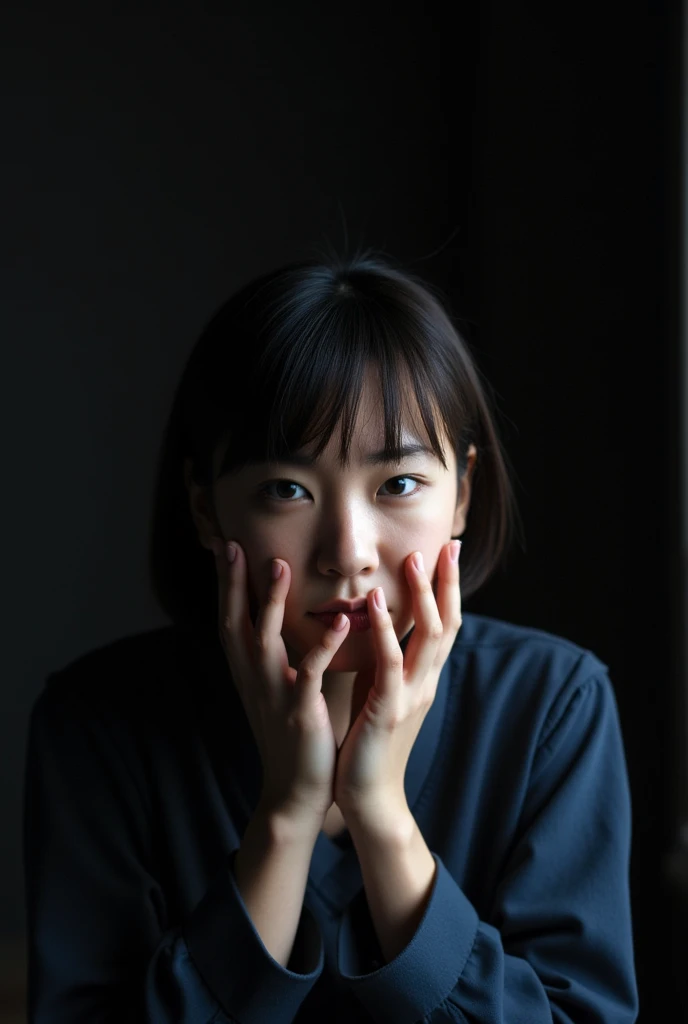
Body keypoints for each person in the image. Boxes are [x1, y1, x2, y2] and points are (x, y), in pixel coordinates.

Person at [22, 251, 639, 1022]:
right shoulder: (97, 726)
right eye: (288, 490)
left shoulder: (552, 707)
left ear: (463, 495)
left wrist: (379, 810)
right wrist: (288, 811)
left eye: (399, 484)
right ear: (208, 509)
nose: (348, 551)